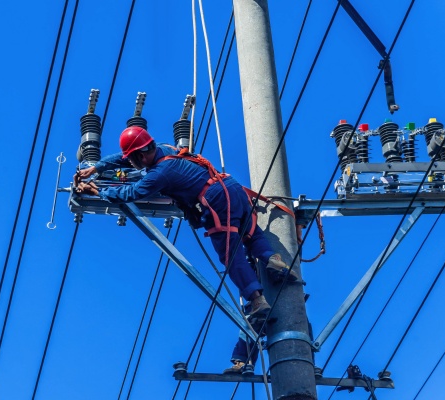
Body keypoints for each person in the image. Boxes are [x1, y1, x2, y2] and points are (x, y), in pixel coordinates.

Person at [73, 126, 297, 326]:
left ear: (141, 156)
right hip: (232, 187)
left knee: (230, 252)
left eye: (132, 160)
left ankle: (256, 300)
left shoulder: (159, 174)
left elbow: (130, 193)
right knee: (250, 233)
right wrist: (97, 168)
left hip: (216, 198)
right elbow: (125, 159)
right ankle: (272, 260)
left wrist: (99, 191)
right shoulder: (165, 149)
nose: (130, 164)